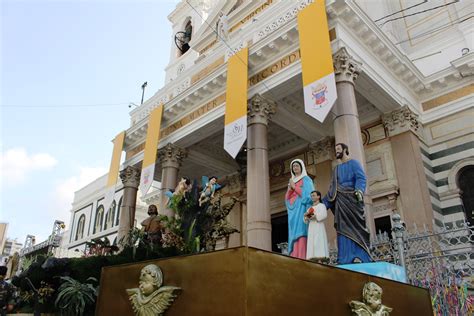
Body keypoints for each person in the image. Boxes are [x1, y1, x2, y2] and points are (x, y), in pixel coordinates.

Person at [323, 143, 372, 264]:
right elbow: (332, 190)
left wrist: (359, 190)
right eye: (336, 150)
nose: (337, 152)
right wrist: (321, 205)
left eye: (338, 149)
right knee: (342, 228)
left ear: (345, 150)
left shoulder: (354, 163)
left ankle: (361, 255)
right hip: (340, 202)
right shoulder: (336, 169)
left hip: (353, 200)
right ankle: (345, 258)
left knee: (357, 228)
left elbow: (361, 178)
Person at [285, 159, 314, 259]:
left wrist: (295, 187)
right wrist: (290, 190)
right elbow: (286, 199)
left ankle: (302, 255)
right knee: (293, 233)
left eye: (297, 166)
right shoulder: (291, 181)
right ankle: (294, 255)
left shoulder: (306, 179)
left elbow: (309, 196)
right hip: (293, 211)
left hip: (302, 208)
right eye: (293, 167)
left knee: (301, 231)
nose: (295, 168)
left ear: (301, 167)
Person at [303, 191, 329, 262]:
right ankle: (313, 257)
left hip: (318, 226)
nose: (312, 197)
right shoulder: (310, 208)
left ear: (318, 196)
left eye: (314, 195)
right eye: (311, 196)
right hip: (312, 227)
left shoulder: (322, 206)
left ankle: (320, 258)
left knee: (319, 241)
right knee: (312, 242)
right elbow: (307, 219)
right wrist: (306, 216)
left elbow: (324, 215)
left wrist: (316, 216)